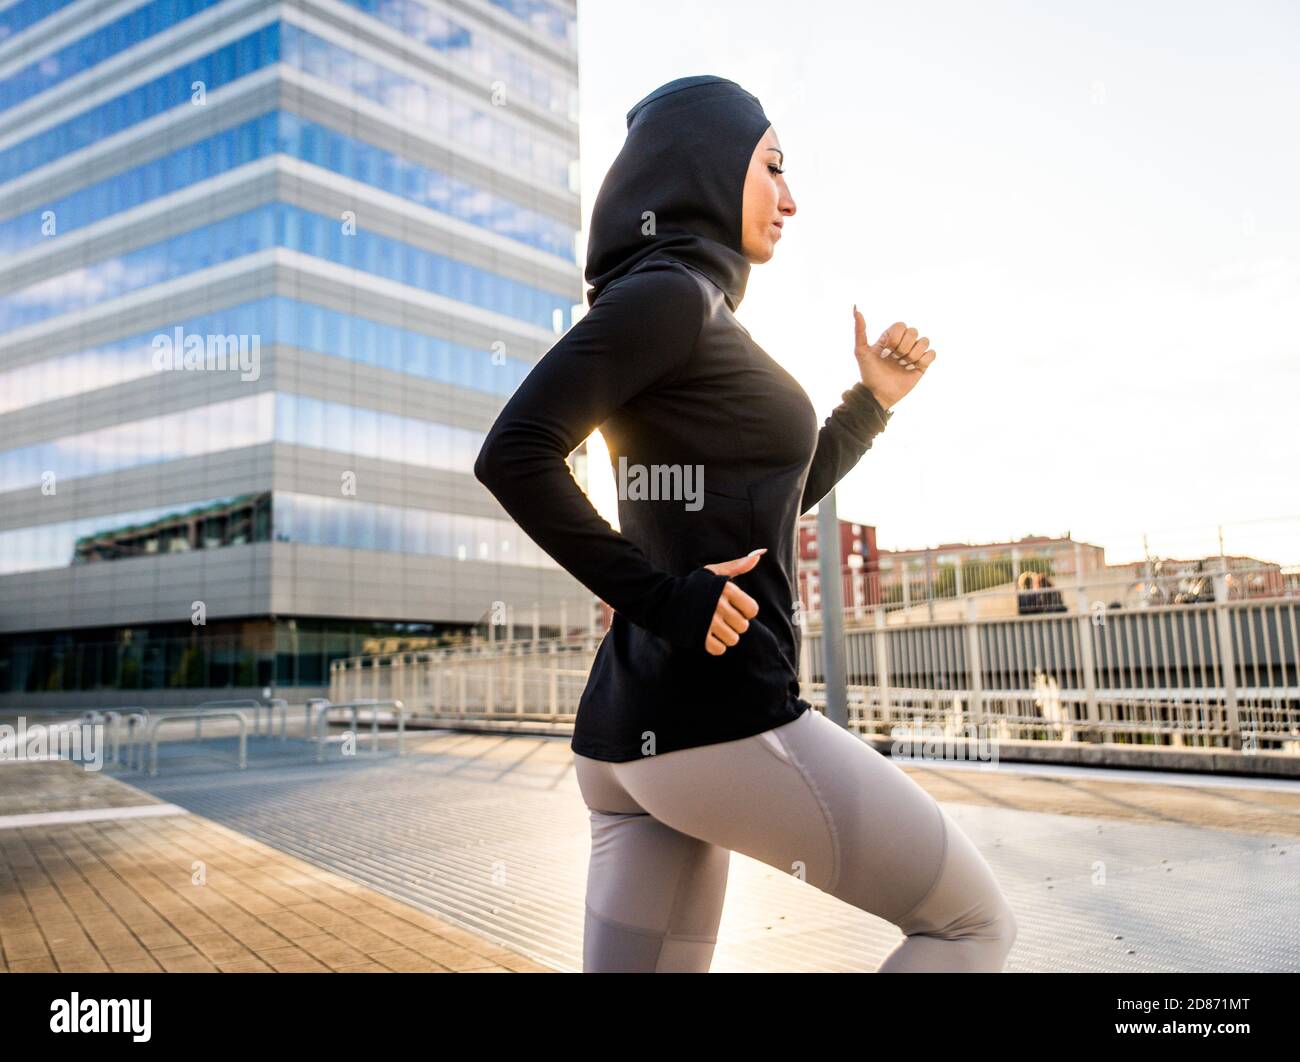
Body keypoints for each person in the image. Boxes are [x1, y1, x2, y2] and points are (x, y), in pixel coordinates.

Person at [474, 75, 1017, 973]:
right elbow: (514, 454)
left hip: (633, 744)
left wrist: (869, 405)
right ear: (706, 166)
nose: (792, 199)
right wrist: (667, 600)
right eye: (772, 167)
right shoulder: (671, 297)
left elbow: (765, 503)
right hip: (717, 721)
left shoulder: (684, 307)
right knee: (969, 926)